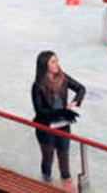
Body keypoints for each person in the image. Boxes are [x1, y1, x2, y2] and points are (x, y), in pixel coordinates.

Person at [31, 51, 85, 190]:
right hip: (45, 128)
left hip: (63, 126)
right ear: (45, 65)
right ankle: (44, 187)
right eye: (53, 62)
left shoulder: (63, 78)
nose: (57, 64)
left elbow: (81, 89)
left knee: (65, 164)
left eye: (57, 61)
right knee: (48, 161)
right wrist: (63, 111)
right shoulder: (37, 86)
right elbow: (40, 112)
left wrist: (74, 103)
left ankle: (67, 188)